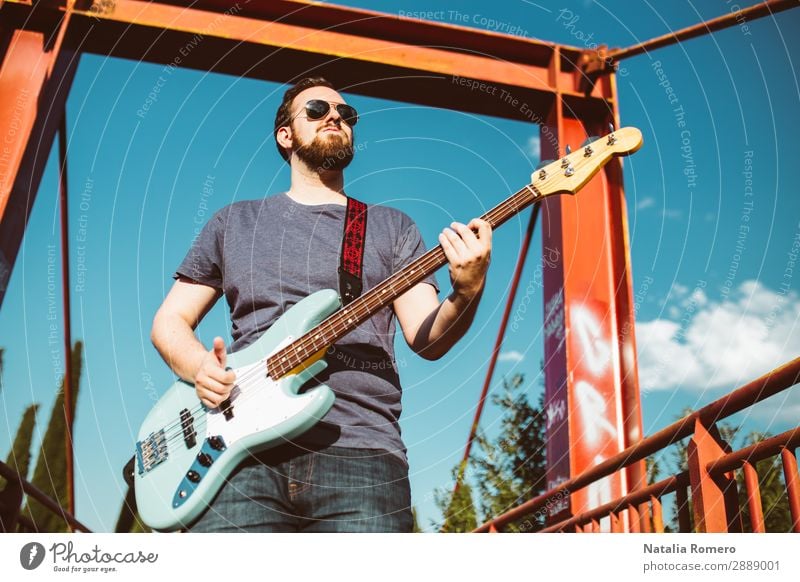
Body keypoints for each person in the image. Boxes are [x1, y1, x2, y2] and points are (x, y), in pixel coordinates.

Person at [150, 77, 492, 532]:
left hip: (362, 453)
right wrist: (199, 368)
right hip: (237, 456)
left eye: (346, 114)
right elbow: (169, 321)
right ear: (285, 135)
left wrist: (467, 291)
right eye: (316, 109)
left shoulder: (391, 228)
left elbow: (426, 338)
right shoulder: (234, 222)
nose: (335, 116)